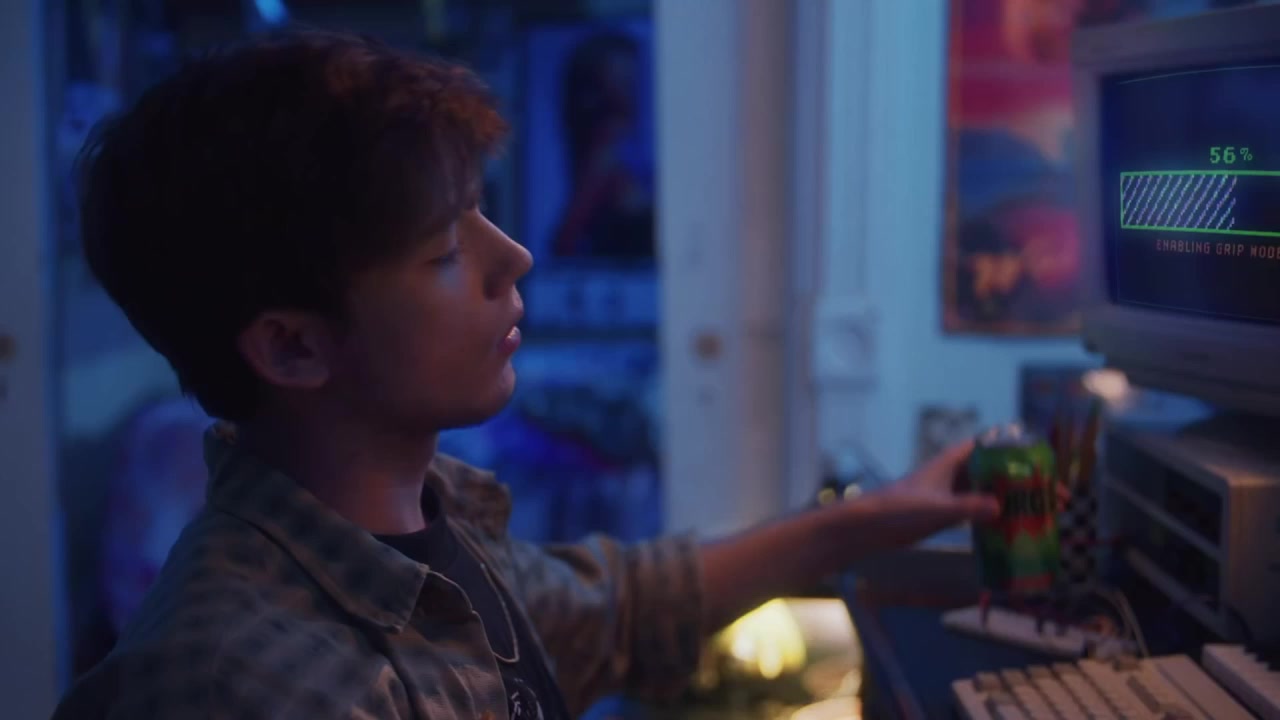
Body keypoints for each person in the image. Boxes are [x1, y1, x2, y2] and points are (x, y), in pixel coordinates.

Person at [52, 30, 999, 720]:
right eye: (441, 251)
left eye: (483, 214)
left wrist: (879, 516)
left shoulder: (425, 526)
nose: (514, 258)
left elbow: (623, 608)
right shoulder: (235, 683)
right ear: (293, 347)